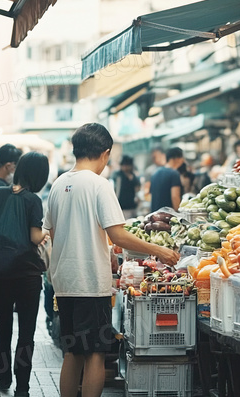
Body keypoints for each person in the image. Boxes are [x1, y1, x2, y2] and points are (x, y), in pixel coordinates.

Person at [43, 124, 179, 397]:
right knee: (95, 353)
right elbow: (118, 235)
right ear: (105, 153)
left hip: (64, 282)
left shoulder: (58, 184)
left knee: (72, 352)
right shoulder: (99, 185)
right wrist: (159, 250)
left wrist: (102, 251)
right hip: (90, 283)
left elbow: (56, 234)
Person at [0, 152, 50, 397]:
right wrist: (47, 232)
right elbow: (35, 237)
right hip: (27, 276)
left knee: (3, 327)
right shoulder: (33, 200)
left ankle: (3, 377)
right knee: (26, 332)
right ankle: (22, 387)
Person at [149, 147, 185, 212]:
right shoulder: (174, 174)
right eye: (182, 158)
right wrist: (179, 213)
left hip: (155, 214)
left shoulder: (155, 173)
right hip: (168, 215)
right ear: (176, 158)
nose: (183, 160)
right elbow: (175, 197)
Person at [112, 155, 140, 219]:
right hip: (121, 207)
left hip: (132, 206)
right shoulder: (118, 176)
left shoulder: (133, 175)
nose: (126, 167)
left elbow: (138, 188)